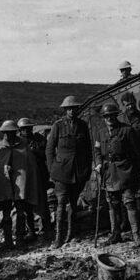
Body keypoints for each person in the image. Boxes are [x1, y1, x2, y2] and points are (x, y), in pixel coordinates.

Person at [94, 102, 140, 248]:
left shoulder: (127, 130)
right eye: (106, 116)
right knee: (112, 204)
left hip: (125, 171)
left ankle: (136, 235)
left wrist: (135, 171)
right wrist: (98, 163)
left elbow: (137, 152)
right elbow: (97, 151)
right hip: (109, 172)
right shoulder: (100, 132)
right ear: (103, 118)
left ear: (116, 116)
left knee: (129, 202)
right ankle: (115, 234)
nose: (109, 119)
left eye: (112, 116)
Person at [45, 95, 93, 247]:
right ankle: (58, 237)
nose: (72, 111)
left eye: (74, 108)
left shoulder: (83, 126)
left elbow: (88, 150)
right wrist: (52, 170)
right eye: (69, 109)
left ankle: (71, 233)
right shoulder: (58, 126)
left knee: (73, 203)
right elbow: (49, 150)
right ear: (65, 110)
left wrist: (86, 170)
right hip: (61, 172)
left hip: (78, 172)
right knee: (61, 203)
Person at [0, 120, 42, 250]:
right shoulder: (0, 147)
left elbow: (30, 165)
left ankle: (20, 239)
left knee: (21, 212)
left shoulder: (23, 145)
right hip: (5, 186)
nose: (10, 135)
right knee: (6, 214)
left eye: (12, 132)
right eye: (7, 133)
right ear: (3, 133)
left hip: (21, 184)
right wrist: (3, 168)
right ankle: (8, 240)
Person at [119, 91, 140, 226]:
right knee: (125, 190)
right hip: (125, 161)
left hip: (139, 158)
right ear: (123, 106)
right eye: (127, 105)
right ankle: (125, 222)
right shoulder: (121, 119)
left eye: (132, 104)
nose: (130, 107)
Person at [18, 117, 52, 240]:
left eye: (28, 128)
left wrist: (34, 152)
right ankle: (31, 231)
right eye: (23, 129)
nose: (26, 131)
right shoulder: (18, 142)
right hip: (25, 178)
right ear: (20, 130)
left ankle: (45, 229)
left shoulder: (40, 139)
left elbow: (47, 154)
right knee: (27, 205)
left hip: (40, 176)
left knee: (42, 203)